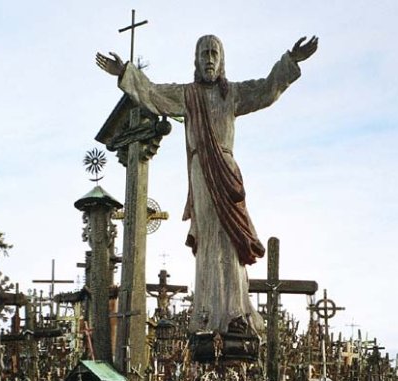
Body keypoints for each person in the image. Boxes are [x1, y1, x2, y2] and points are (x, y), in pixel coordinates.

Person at [96, 34, 318, 338]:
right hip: (203, 173)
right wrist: (125, 73)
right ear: (196, 61)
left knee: (231, 241)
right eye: (204, 53)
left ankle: (235, 310)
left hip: (226, 172)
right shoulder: (188, 96)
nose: (209, 59)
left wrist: (290, 61)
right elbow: (152, 94)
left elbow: (267, 89)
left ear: (222, 60)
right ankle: (208, 312)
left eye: (214, 53)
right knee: (211, 240)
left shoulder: (234, 94)